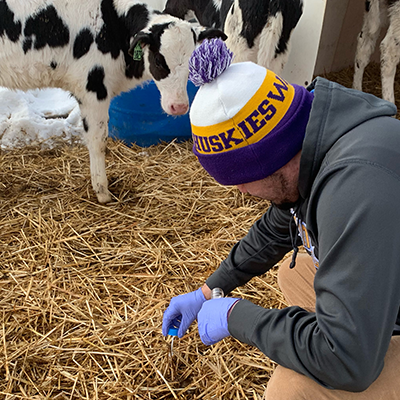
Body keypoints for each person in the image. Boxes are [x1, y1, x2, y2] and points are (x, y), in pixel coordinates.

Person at [162, 38, 400, 399]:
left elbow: (348, 360)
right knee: (294, 272)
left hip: (367, 339)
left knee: (291, 389)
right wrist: (208, 290)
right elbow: (279, 227)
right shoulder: (318, 142)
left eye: (241, 178)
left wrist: (237, 317)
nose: (240, 191)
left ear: (271, 156)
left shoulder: (355, 186)